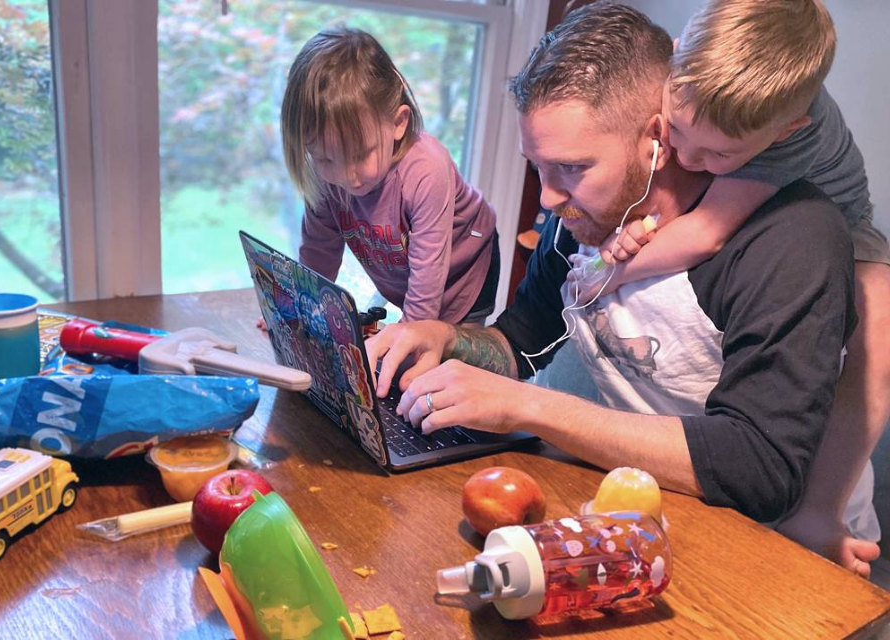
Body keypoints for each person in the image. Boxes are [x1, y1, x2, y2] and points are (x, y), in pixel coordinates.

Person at [366, 2, 864, 560]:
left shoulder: (792, 238)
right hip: (642, 525)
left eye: (573, 168)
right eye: (538, 166)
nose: (549, 197)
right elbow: (521, 343)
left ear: (656, 139)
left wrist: (529, 408)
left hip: (783, 553)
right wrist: (445, 339)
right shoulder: (577, 217)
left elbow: (761, 467)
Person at [574, 0, 889, 578]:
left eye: (719, 153)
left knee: (876, 345)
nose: (690, 158)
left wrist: (609, 270)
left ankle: (821, 510)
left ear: (787, 130)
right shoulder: (698, 76)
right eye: (679, 129)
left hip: (845, 223)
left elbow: (704, 235)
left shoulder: (790, 139)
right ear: (674, 70)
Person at [280, 27, 499, 326]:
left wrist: (410, 336)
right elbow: (318, 252)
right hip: (405, 272)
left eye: (360, 155)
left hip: (465, 266)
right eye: (324, 158)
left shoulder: (426, 170)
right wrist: (297, 309)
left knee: (453, 362)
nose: (348, 177)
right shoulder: (326, 179)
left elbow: (427, 277)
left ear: (398, 123)